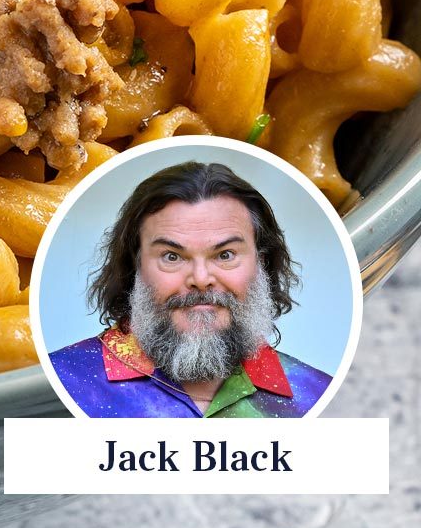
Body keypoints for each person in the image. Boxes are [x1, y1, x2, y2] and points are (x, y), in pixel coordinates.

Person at [47, 161, 333, 418]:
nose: (200, 278)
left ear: (262, 262)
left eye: (225, 255)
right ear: (134, 267)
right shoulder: (55, 386)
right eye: (172, 257)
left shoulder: (322, 399)